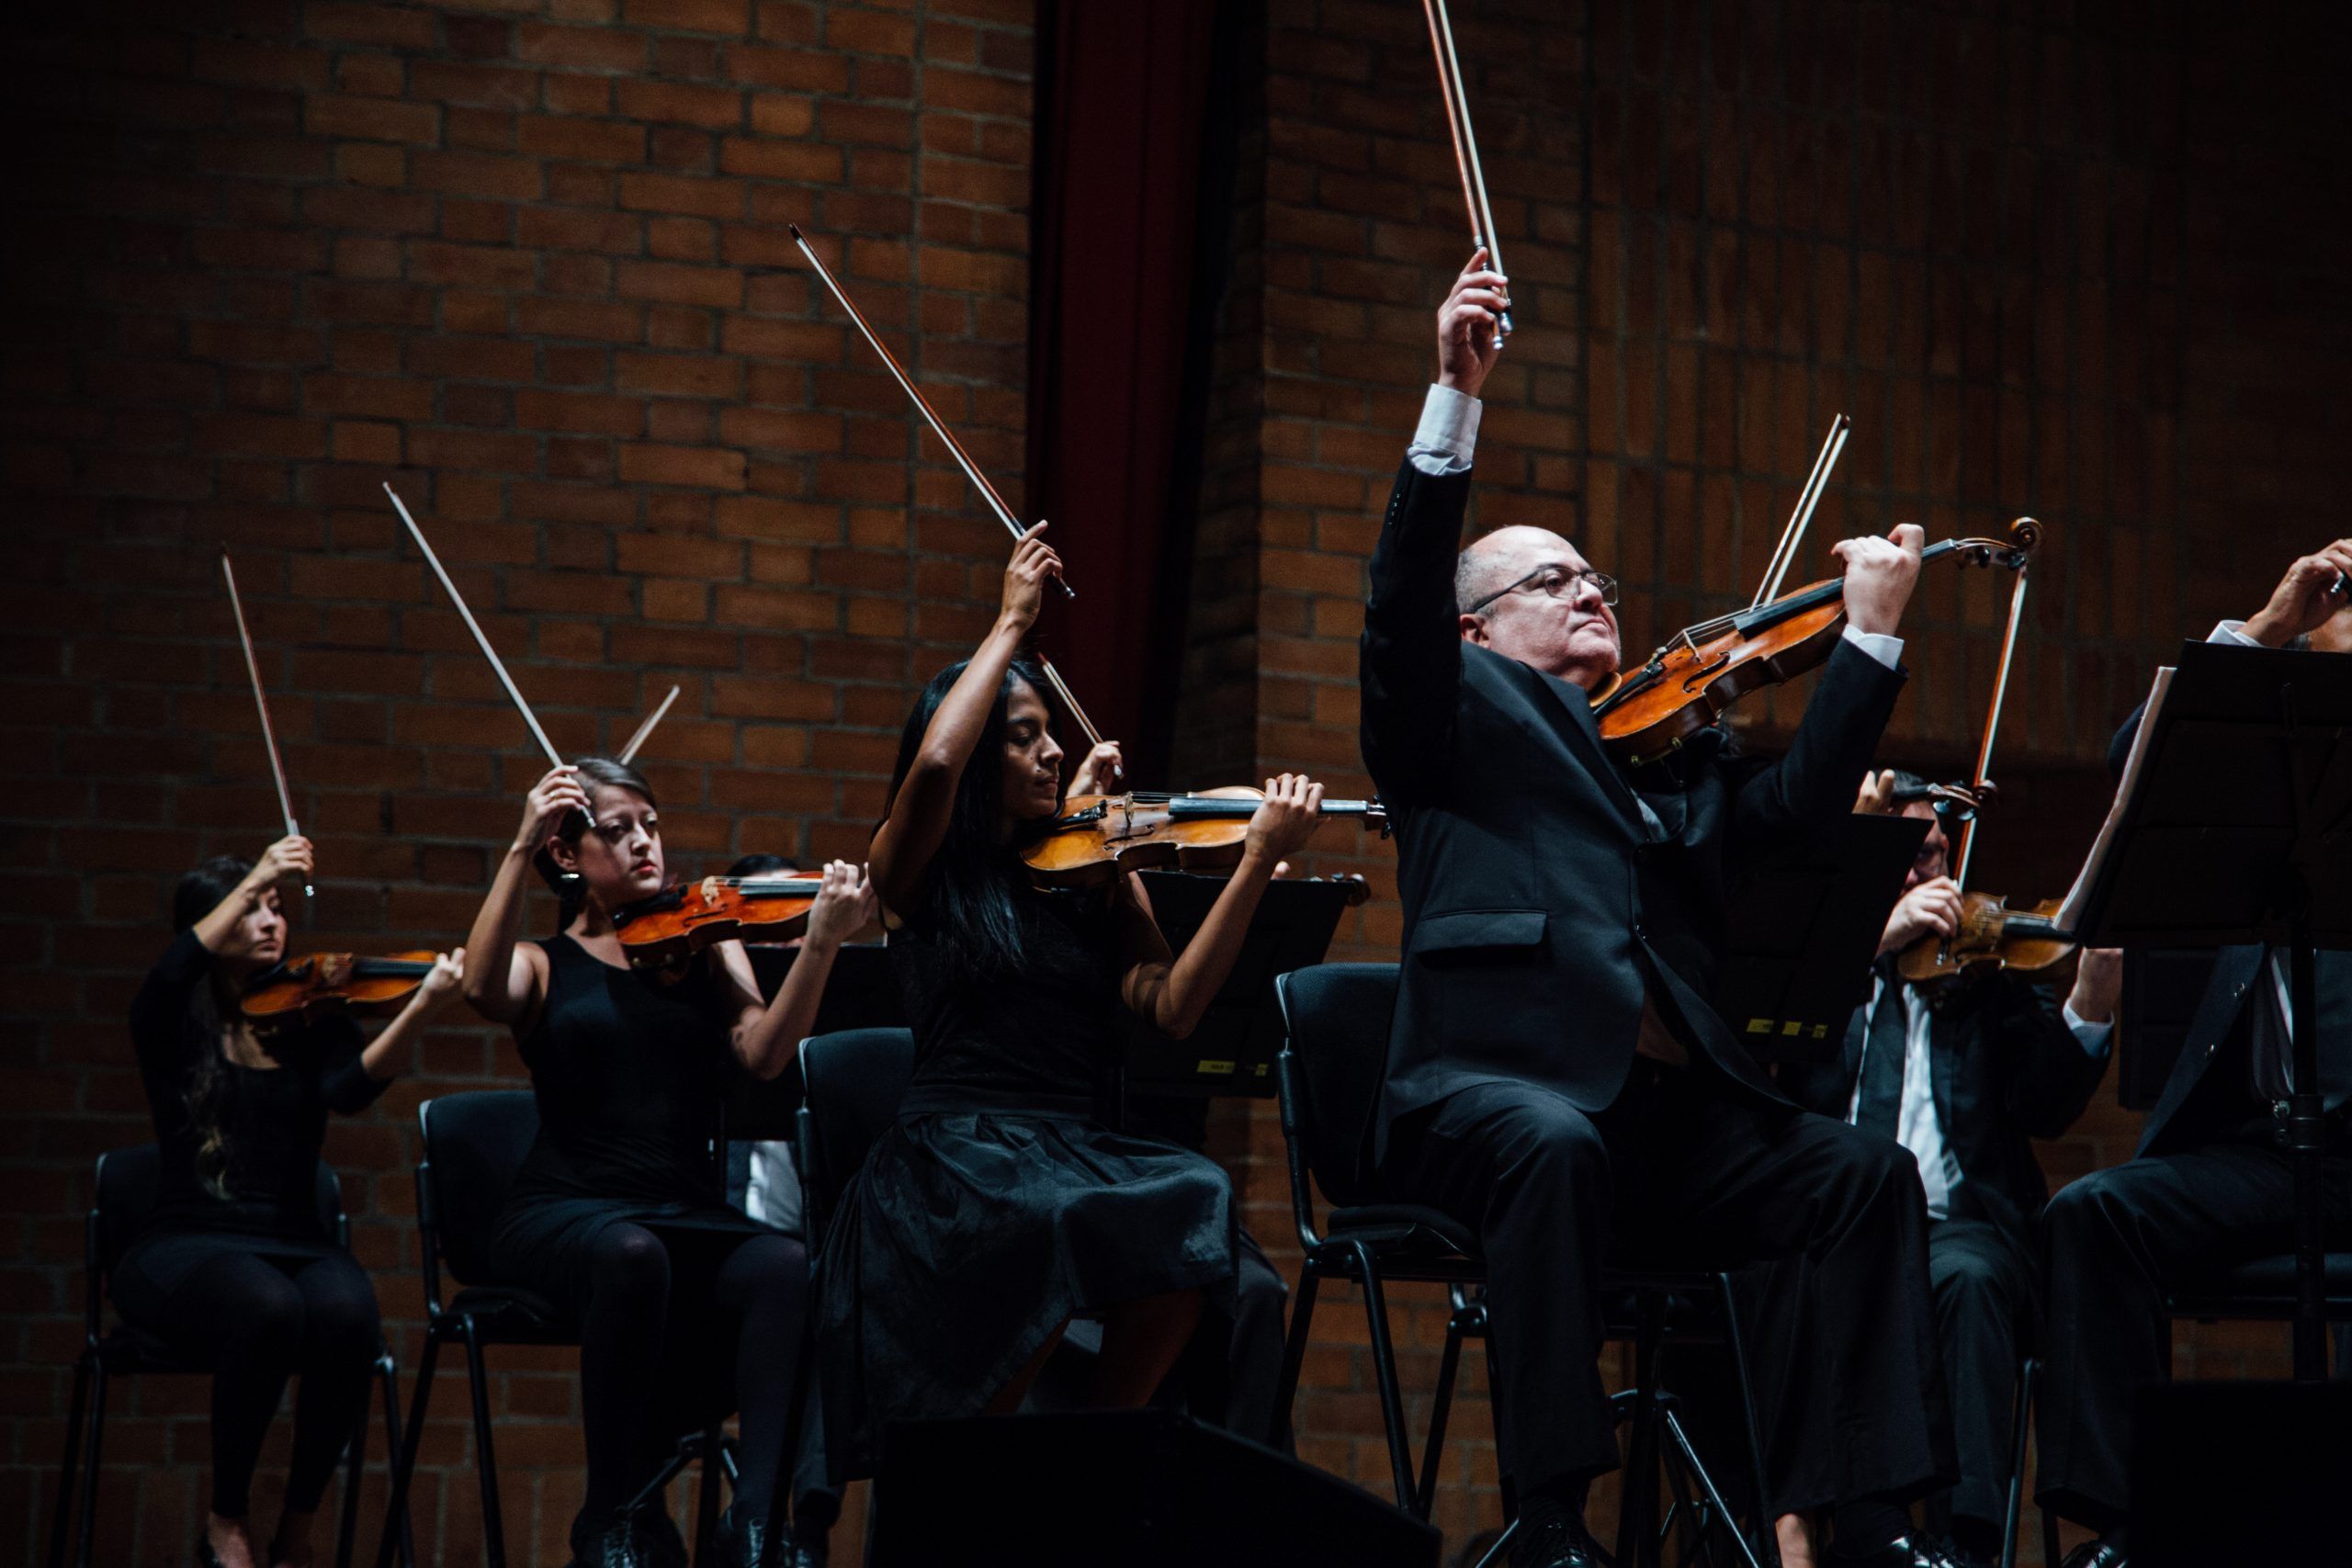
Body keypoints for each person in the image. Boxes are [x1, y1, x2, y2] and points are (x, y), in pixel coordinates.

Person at [1360, 250, 1956, 1568]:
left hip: (1659, 1122)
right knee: (1550, 1141)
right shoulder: (1446, 716)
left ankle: (1862, 1517)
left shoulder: (1668, 761)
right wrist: (1453, 399)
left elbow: (1797, 815)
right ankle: (1553, 1513)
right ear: (1477, 632)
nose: (1596, 593)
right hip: (1489, 1089)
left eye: (1602, 583)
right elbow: (1399, 602)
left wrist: (1867, 636)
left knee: (1862, 1172)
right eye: (1555, 581)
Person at [814, 525, 1328, 1477]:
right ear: (979, 761)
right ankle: (969, 1479)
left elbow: (1171, 1006)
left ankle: (1086, 1451)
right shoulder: (921, 875)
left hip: (1071, 1151)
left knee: (1195, 1211)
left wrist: (1253, 864)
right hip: (959, 1163)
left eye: (1051, 731)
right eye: (1025, 736)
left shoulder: (1093, 872)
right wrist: (1011, 622)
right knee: (1060, 1229)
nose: (1054, 752)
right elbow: (931, 770)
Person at [461, 756, 874, 1568]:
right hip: (567, 1207)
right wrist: (518, 845)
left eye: (651, 824)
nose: (646, 842)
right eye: (618, 830)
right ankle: (611, 1514)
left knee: (787, 1265)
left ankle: (756, 1524)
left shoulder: (706, 940)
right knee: (631, 1253)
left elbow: (763, 1053)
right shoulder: (545, 963)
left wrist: (821, 943)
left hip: (680, 1207)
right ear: (570, 855)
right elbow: (479, 984)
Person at [2034, 543, 2352, 1568]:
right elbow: (2141, 763)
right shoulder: (2269, 784)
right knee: (2094, 1213)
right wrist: (2262, 635)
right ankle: (2127, 1527)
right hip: (2268, 1146)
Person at [1779, 771, 2120, 1566]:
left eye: (1931, 856)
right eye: (1897, 857)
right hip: (1833, 1228)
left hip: (1957, 1231)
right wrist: (1868, 935)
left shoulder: (1981, 973)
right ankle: (1836, 1529)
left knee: (1968, 1280)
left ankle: (1964, 1543)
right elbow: (1769, 1058)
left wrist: (2091, 1002)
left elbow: (2045, 1105)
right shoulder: (1822, 963)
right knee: (1805, 1273)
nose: (1918, 875)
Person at [119, 838, 462, 1568]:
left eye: (278, 906)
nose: (272, 920)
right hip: (184, 1240)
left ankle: (300, 1522)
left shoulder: (312, 1012)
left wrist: (424, 1008)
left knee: (348, 1313)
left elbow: (350, 1092)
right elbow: (167, 974)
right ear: (210, 923)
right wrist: (259, 874)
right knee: (267, 1308)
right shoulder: (174, 1019)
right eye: (252, 907)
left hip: (292, 1236)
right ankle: (228, 1517)